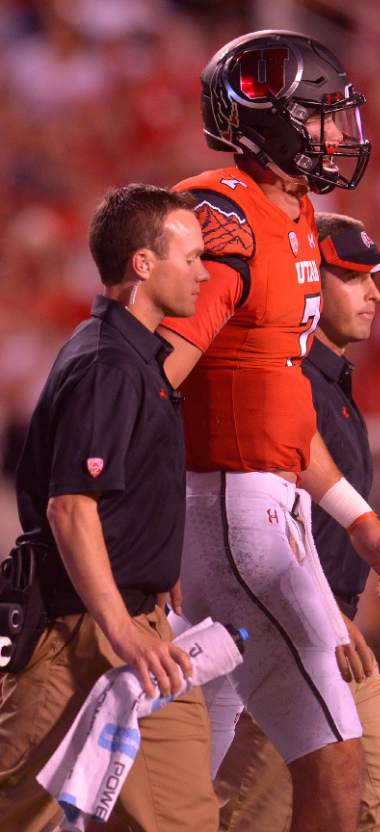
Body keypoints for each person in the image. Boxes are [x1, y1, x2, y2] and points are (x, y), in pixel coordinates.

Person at [159, 31, 380, 832]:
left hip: (272, 501)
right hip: (233, 508)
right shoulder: (223, 213)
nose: (338, 136)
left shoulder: (297, 214)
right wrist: (140, 520)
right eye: (319, 117)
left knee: (190, 757)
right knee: (335, 741)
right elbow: (156, 372)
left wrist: (359, 521)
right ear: (267, 122)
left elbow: (281, 407)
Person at [0, 184, 219, 832]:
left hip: (140, 628)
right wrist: (121, 627)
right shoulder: (109, 364)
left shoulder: (134, 357)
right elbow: (72, 506)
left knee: (184, 819)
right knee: (18, 811)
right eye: (192, 257)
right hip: (83, 629)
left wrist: (155, 564)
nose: (204, 272)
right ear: (143, 265)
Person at [215, 214, 380, 832]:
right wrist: (323, 614)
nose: (375, 294)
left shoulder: (330, 386)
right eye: (353, 278)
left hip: (331, 633)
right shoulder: (280, 377)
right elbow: (261, 514)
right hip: (286, 631)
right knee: (256, 815)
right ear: (307, 278)